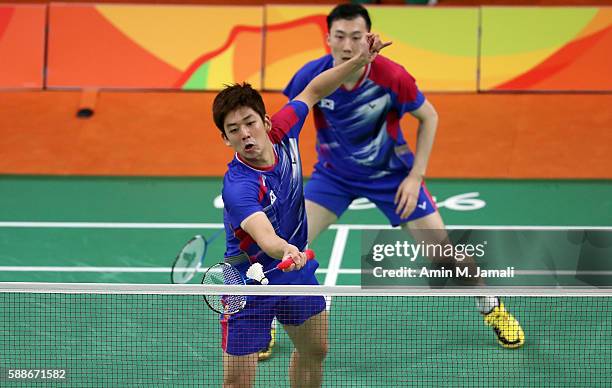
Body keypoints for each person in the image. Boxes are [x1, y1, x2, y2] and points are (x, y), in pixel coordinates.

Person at [254, 3, 524, 360]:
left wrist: (416, 176)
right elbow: (289, 128)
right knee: (281, 247)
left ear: (368, 38)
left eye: (355, 37)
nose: (347, 45)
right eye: (339, 37)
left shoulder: (390, 75)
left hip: (392, 177)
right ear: (327, 39)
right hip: (334, 177)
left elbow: (429, 117)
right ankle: (267, 320)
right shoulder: (311, 76)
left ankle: (490, 305)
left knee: (444, 255)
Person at [214, 32, 389, 387]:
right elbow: (263, 234)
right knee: (238, 382)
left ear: (265, 122)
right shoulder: (239, 185)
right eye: (234, 130)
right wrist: (285, 249)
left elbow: (313, 91)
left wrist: (358, 61)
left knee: (315, 351)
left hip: (294, 273)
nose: (245, 134)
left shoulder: (284, 129)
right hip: (251, 282)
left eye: (250, 123)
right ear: (226, 139)